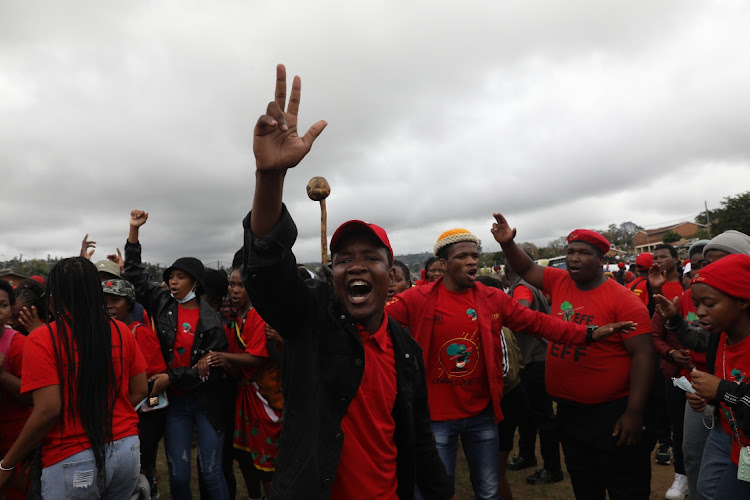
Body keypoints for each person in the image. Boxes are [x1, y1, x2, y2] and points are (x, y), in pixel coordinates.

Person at [242, 63, 455, 500]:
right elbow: (267, 270)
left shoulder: (406, 350)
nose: (355, 267)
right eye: (342, 260)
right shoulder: (311, 323)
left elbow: (417, 438)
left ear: (391, 273)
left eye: (370, 258)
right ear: (332, 274)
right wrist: (270, 177)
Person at [387, 227, 634, 499]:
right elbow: (375, 320)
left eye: (474, 255)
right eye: (462, 257)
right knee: (434, 491)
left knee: (489, 490)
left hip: (482, 415)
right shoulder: (417, 299)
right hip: (436, 419)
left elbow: (540, 323)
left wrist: (588, 333)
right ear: (443, 265)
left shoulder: (491, 298)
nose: (472, 261)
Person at [492, 214, 655, 499]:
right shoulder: (559, 281)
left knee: (624, 486)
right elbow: (526, 267)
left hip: (611, 413)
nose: (574, 258)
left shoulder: (624, 301)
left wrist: (634, 413)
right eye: (570, 252)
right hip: (569, 412)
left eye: (584, 253)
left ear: (602, 261)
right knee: (584, 484)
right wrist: (508, 244)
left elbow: (643, 357)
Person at [0, 257, 148, 499]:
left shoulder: (42, 339)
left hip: (72, 456)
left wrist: (6, 464)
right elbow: (141, 390)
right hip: (126, 449)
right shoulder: (122, 331)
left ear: (54, 295)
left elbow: (47, 411)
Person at [124, 211, 230, 500]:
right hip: (175, 406)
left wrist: (170, 376)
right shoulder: (162, 303)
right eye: (170, 276)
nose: (172, 282)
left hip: (206, 403)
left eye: (180, 277)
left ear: (195, 282)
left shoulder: (212, 322)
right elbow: (134, 275)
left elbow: (205, 371)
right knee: (179, 475)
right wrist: (134, 232)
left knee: (210, 471)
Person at [653, 229, 750, 499]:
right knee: (707, 488)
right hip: (728, 433)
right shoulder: (721, 333)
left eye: (708, 303)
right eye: (697, 304)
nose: (700, 311)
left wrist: (720, 391)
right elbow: (699, 340)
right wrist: (711, 399)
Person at [101, 278, 167, 499]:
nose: (109, 305)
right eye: (104, 300)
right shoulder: (102, 334)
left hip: (143, 412)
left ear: (129, 303)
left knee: (140, 466)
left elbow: (155, 378)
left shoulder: (140, 333)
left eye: (115, 300)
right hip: (119, 412)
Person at [504, 260, 563, 486]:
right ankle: (527, 456)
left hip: (536, 360)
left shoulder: (521, 287)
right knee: (527, 415)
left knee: (543, 417)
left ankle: (552, 468)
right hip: (534, 358)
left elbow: (522, 308)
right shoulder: (527, 284)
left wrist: (508, 316)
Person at [0, 279, 33, 500]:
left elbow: (31, 396)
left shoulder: (18, 344)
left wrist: (2, 375)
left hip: (12, 446)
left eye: (2, 305)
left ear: (11, 309)